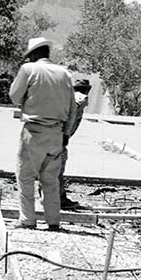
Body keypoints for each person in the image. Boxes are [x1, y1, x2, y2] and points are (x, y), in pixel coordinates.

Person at [8, 37, 73, 231]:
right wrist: (66, 134)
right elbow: (72, 108)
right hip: (56, 133)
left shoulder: (29, 70)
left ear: (33, 55)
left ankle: (28, 219)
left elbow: (14, 97)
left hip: (34, 131)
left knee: (26, 176)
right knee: (50, 179)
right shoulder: (64, 73)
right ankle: (53, 221)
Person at [59, 77, 92, 210]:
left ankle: (50, 199)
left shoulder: (67, 98)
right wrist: (65, 135)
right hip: (59, 139)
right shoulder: (79, 98)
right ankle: (59, 200)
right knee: (57, 170)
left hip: (53, 137)